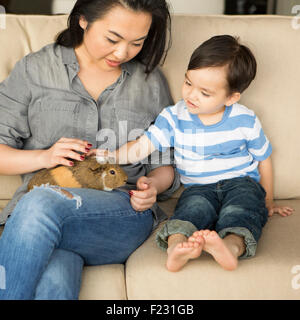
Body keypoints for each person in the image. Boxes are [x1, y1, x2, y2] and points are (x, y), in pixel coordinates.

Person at [0, 0, 180, 299]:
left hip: (120, 215)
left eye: (137, 42)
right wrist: (44, 157)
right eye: (113, 39)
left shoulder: (149, 82)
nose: (123, 52)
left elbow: (164, 164)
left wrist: (154, 186)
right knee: (53, 278)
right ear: (83, 20)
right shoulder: (36, 70)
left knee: (41, 203)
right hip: (41, 222)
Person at [97, 35, 294, 272]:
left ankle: (230, 248)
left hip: (241, 184)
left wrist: (268, 200)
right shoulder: (174, 117)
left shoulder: (245, 119)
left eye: (205, 92)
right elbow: (141, 146)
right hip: (198, 188)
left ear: (231, 97)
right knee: (190, 212)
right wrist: (112, 156)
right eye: (188, 83)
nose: (191, 95)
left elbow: (264, 159)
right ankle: (177, 249)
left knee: (241, 212)